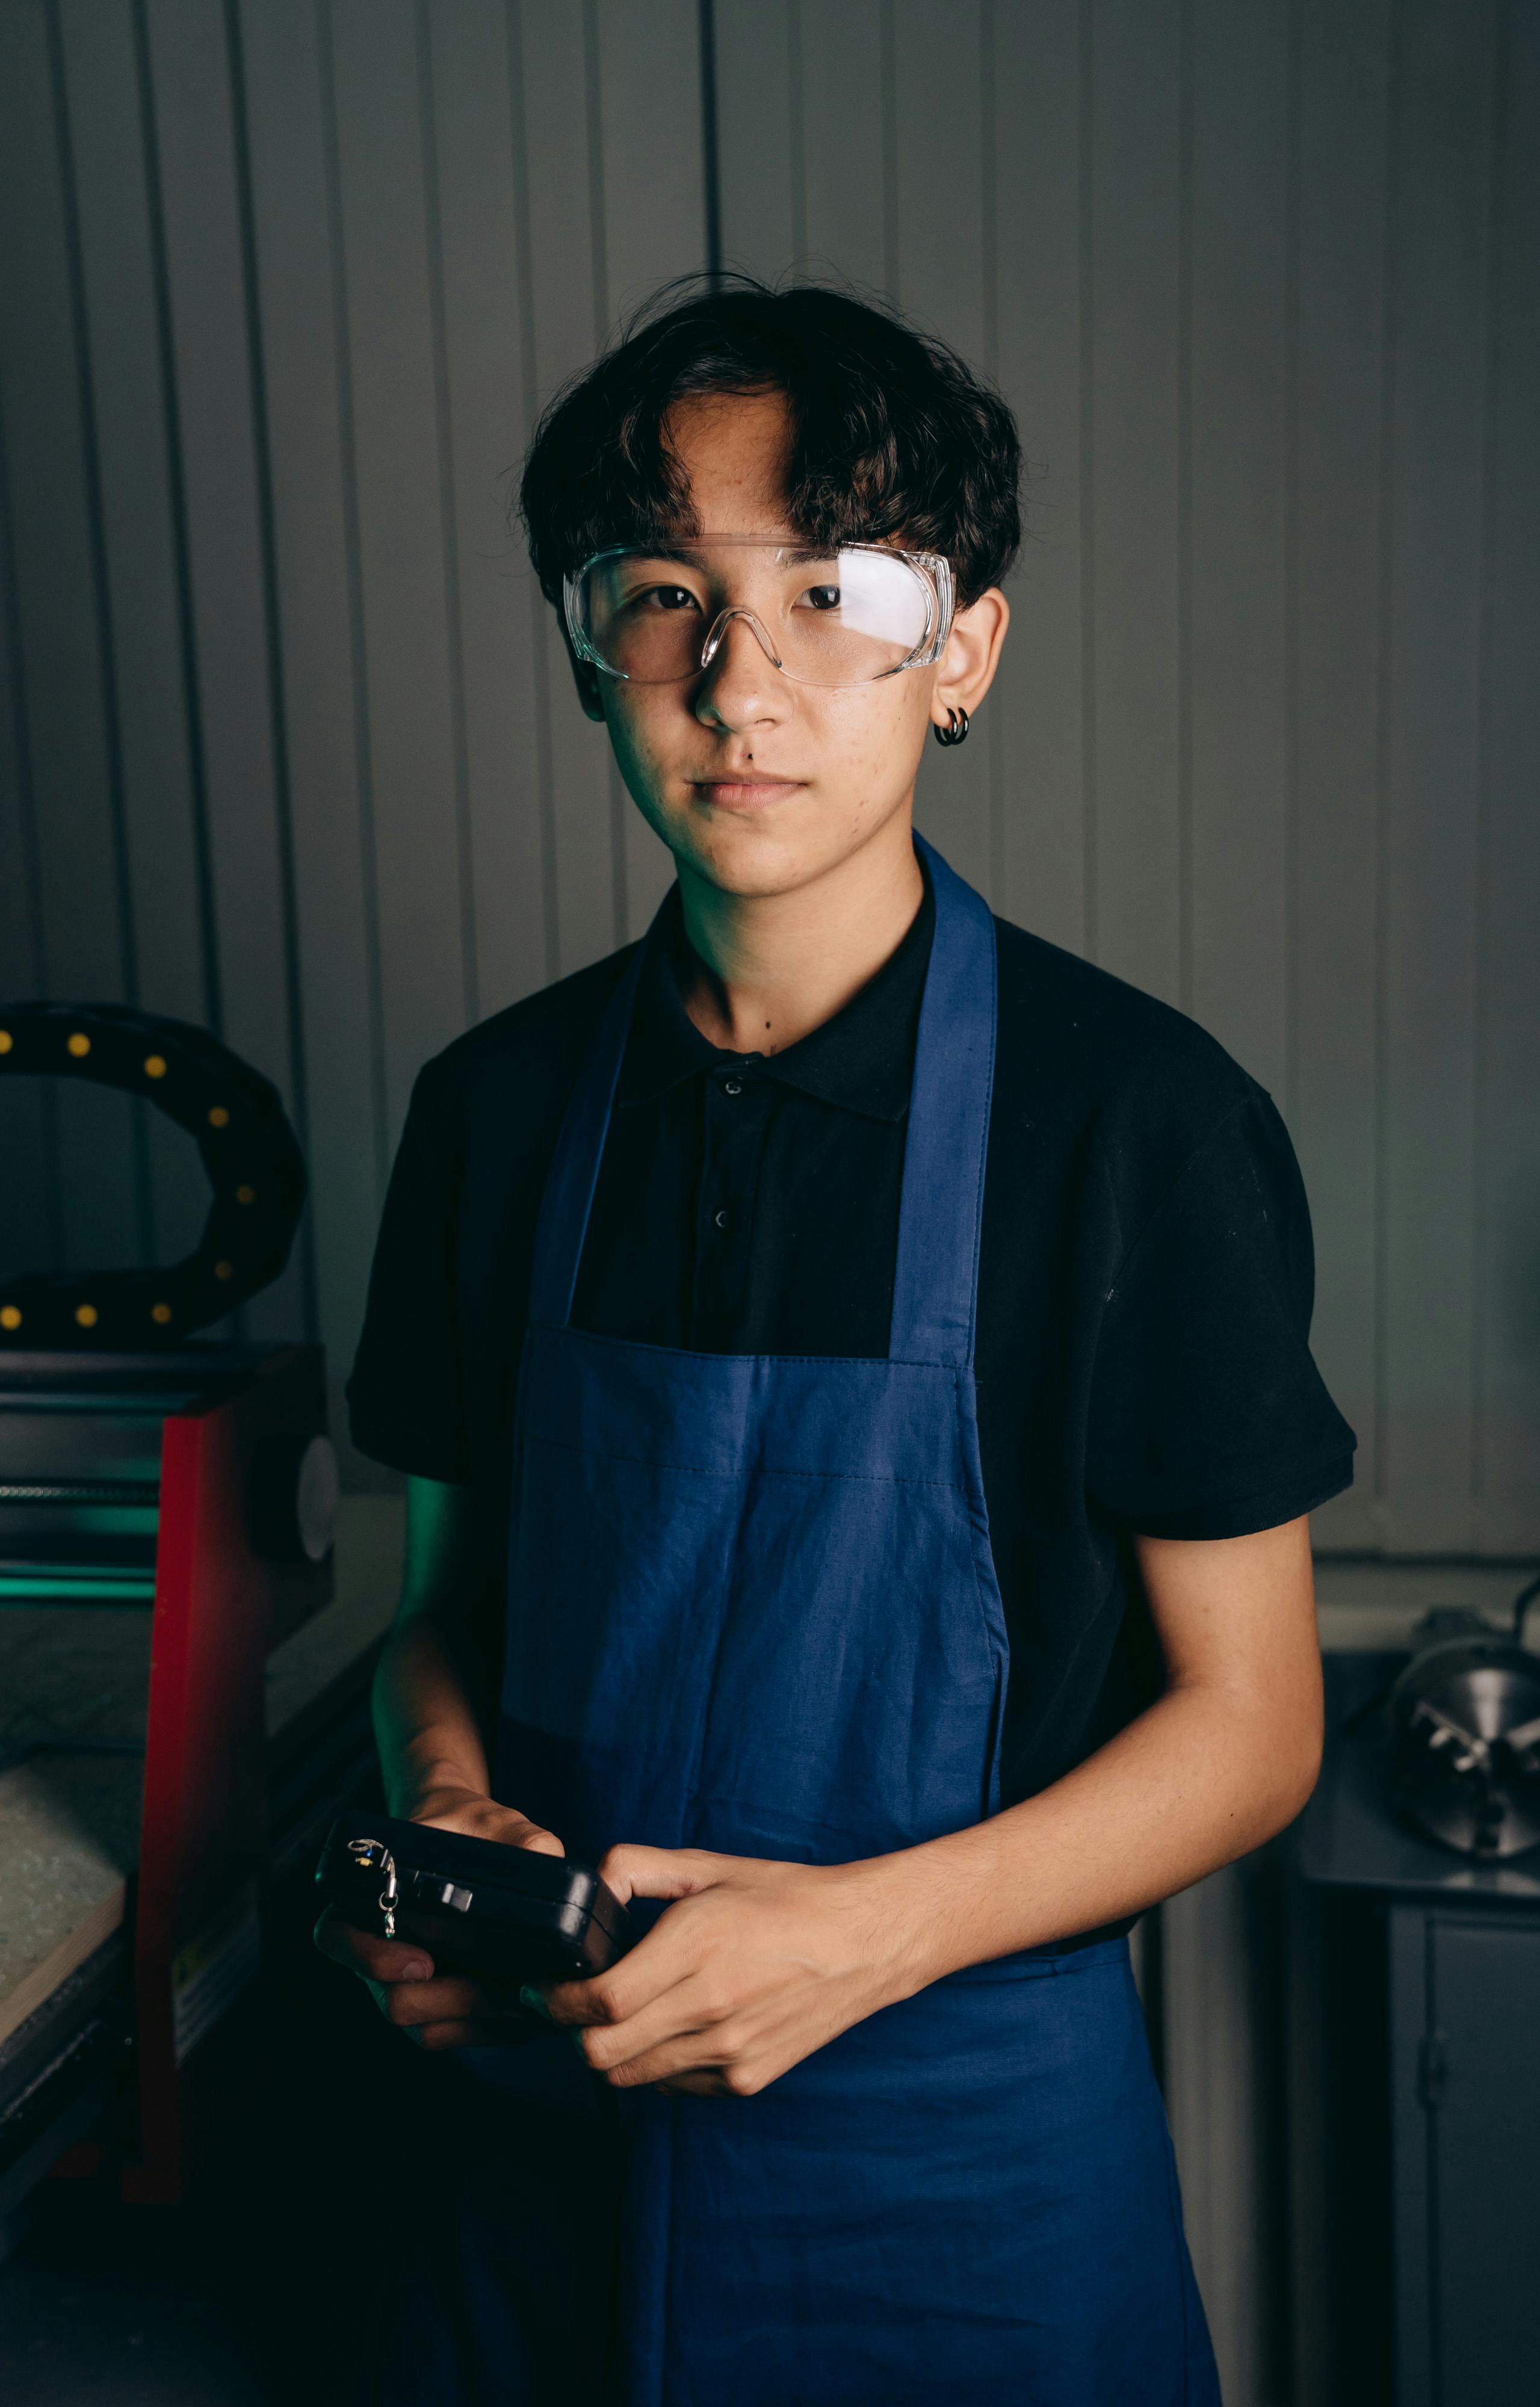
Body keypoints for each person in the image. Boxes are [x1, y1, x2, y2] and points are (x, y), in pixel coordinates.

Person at [320, 277, 1353, 2405]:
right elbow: (447, 1616)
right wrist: (446, 1831)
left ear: (960, 652)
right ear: (587, 649)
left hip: (959, 2174)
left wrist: (857, 1936)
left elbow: (1251, 1727)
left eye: (837, 592)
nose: (742, 678)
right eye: (666, 595)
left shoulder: (1134, 1124)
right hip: (540, 2145)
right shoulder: (495, 1111)